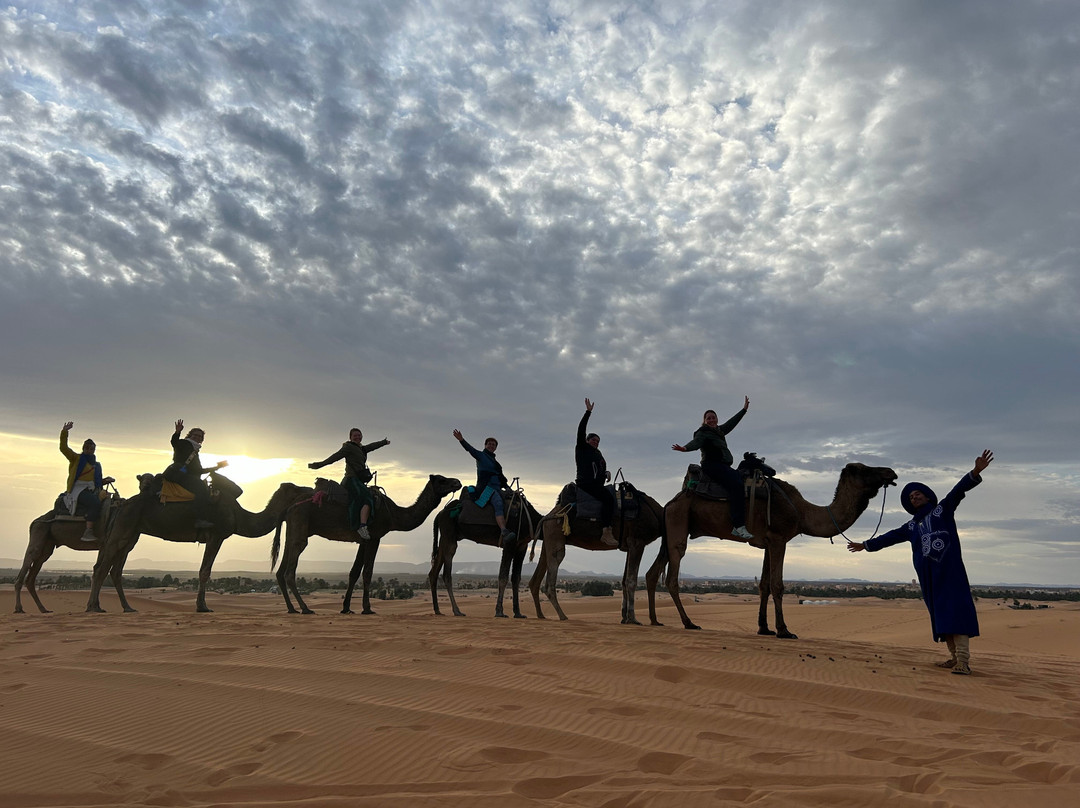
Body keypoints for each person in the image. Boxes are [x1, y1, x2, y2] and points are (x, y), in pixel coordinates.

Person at [848, 450, 994, 676]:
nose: (914, 498)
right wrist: (865, 545)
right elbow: (889, 537)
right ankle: (954, 658)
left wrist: (975, 472)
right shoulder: (911, 526)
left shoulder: (941, 511)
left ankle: (963, 661)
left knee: (956, 612)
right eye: (911, 497)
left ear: (927, 496)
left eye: (917, 494)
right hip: (928, 577)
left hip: (950, 572)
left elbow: (957, 492)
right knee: (941, 615)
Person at [672, 397, 754, 540]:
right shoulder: (703, 432)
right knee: (737, 485)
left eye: (713, 418)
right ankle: (739, 526)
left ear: (717, 419)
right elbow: (696, 443)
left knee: (740, 478)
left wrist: (744, 410)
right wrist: (685, 448)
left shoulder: (719, 431)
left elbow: (731, 423)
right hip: (712, 465)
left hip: (722, 465)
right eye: (708, 418)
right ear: (704, 421)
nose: (711, 420)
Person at [309, 428, 390, 539]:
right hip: (351, 480)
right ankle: (362, 526)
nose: (357, 437)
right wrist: (319, 465)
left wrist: (383, 442)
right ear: (350, 437)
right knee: (367, 498)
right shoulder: (348, 447)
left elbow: (372, 446)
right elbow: (334, 457)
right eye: (355, 436)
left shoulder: (361, 448)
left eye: (359, 435)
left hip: (358, 481)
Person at [452, 429, 515, 547]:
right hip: (486, 489)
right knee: (498, 503)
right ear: (485, 445)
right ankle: (503, 531)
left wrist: (508, 488)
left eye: (493, 444)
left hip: (497, 488)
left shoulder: (496, 464)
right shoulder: (481, 456)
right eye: (489, 444)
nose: (491, 446)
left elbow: (501, 479)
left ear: (495, 448)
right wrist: (461, 440)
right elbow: (470, 449)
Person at [58, 421, 114, 541]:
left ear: (94, 450)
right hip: (78, 490)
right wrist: (65, 432)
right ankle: (88, 532)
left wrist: (106, 480)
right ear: (83, 448)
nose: (89, 450)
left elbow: (96, 482)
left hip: (92, 489)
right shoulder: (76, 459)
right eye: (87, 448)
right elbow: (63, 448)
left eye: (91, 448)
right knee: (95, 503)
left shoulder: (96, 465)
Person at [165, 420, 228, 524]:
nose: (197, 437)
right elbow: (174, 442)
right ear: (190, 435)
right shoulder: (184, 443)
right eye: (195, 435)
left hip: (185, 476)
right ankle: (198, 519)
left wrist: (216, 467)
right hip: (178, 475)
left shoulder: (195, 452)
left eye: (200, 437)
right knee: (201, 488)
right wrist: (177, 432)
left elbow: (198, 470)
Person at [576, 398, 617, 546]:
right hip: (586, 484)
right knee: (608, 499)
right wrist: (588, 412)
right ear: (587, 440)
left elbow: (599, 469)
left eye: (598, 441)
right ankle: (606, 531)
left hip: (596, 484)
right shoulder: (582, 448)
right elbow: (581, 430)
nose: (596, 442)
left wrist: (605, 473)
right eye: (593, 440)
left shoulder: (597, 453)